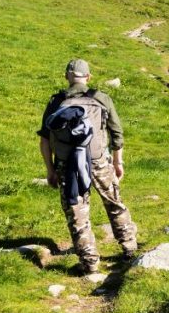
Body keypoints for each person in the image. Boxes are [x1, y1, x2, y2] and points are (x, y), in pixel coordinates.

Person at [38, 59, 137, 274]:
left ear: (67, 77)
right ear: (88, 77)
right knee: (114, 203)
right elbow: (117, 135)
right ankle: (129, 248)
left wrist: (50, 169)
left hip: (68, 165)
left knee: (77, 211)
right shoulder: (101, 99)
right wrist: (118, 162)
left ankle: (90, 263)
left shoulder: (56, 102)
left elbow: (44, 140)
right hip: (99, 161)